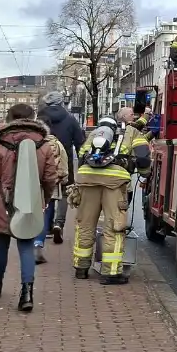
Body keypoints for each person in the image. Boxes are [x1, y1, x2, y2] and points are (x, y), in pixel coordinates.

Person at [0, 104, 61, 312]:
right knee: (26, 245)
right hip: (30, 200)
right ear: (33, 118)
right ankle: (27, 293)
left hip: (1, 201)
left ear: (9, 118)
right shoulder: (44, 145)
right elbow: (50, 178)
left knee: (1, 243)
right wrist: (44, 198)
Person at [71, 119, 135, 285]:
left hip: (87, 179)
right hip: (114, 183)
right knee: (114, 226)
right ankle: (111, 272)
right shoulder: (124, 137)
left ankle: (81, 268)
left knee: (85, 224)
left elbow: (81, 156)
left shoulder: (91, 138)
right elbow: (141, 158)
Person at [38, 91, 86, 245]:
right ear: (61, 103)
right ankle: (59, 223)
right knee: (65, 193)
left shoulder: (40, 118)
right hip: (65, 162)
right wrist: (83, 163)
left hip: (44, 161)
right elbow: (80, 143)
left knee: (48, 192)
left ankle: (47, 226)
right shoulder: (70, 119)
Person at [33, 108, 71, 264]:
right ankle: (39, 243)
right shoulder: (56, 143)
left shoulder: (31, 143)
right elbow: (64, 163)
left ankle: (29, 239)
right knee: (46, 211)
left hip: (32, 182)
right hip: (52, 183)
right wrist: (63, 179)